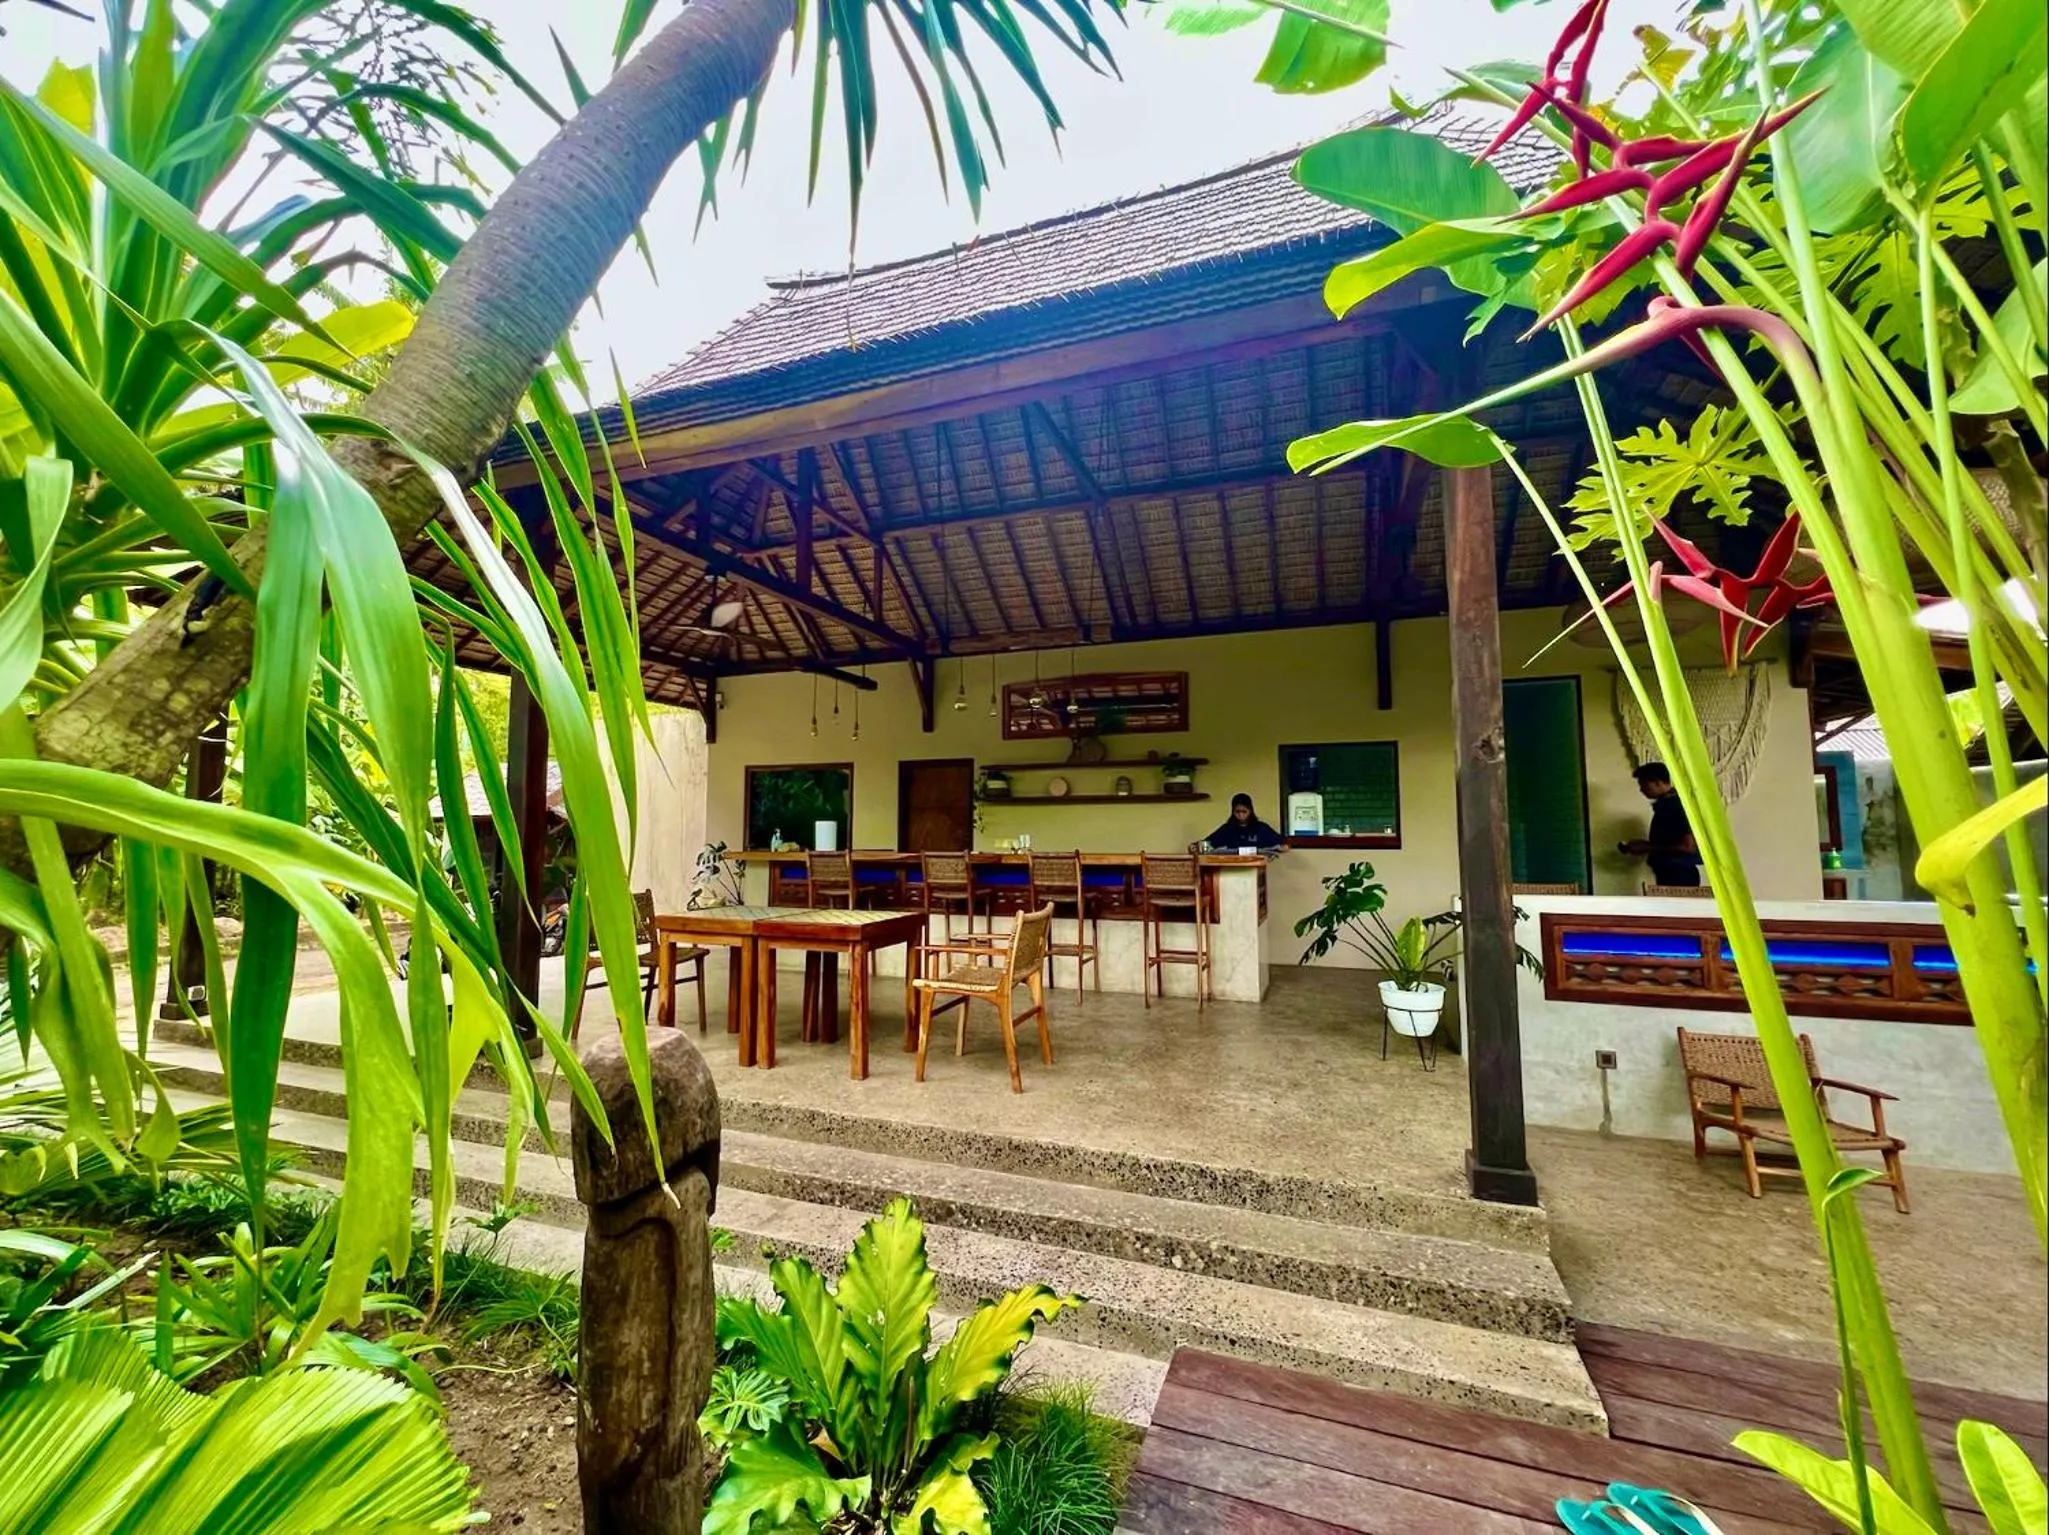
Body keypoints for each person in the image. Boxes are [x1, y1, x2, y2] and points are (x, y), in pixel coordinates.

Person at [1620, 761, 1701, 887]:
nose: (1641, 789)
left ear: (1658, 782)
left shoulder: (1675, 806)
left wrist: (1647, 846)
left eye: (1644, 784)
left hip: (1679, 874)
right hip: (1673, 872)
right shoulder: (1667, 804)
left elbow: (1687, 846)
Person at [1205, 793, 1284, 851]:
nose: (1241, 815)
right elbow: (1208, 844)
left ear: (1250, 811)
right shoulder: (1227, 829)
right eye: (1237, 812)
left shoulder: (1261, 828)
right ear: (1233, 812)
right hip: (1232, 868)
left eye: (1244, 811)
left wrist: (1282, 847)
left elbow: (1281, 843)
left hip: (1257, 868)